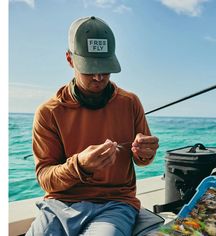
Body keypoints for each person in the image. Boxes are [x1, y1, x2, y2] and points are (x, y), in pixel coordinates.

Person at [26, 16, 159, 236]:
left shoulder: (130, 102)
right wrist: (80, 165)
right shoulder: (48, 112)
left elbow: (142, 160)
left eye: (105, 69)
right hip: (59, 204)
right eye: (89, 69)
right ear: (70, 60)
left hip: (116, 203)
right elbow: (46, 180)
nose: (98, 77)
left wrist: (145, 153)